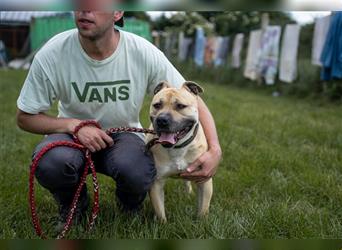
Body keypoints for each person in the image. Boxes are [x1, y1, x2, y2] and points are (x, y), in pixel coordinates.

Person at [16, 11, 222, 228]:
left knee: (138, 170)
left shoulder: (142, 51)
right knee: (51, 162)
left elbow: (193, 102)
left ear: (117, 12)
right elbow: (24, 117)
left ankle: (129, 205)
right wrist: (73, 125)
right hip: (71, 135)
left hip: (124, 136)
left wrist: (215, 150)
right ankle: (73, 206)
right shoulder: (53, 53)